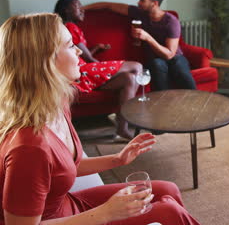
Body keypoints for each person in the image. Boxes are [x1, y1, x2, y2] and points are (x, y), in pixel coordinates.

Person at [0, 13, 200, 225]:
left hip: (67, 206)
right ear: (44, 61)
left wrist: (118, 159)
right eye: (69, 45)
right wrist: (107, 213)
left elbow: (62, 168)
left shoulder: (56, 105)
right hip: (59, 220)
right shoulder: (30, 147)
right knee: (168, 212)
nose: (78, 50)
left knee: (168, 189)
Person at [54, 0, 143, 142]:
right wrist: (103, 68)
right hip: (81, 71)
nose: (82, 9)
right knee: (137, 66)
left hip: (82, 71)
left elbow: (79, 54)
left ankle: (122, 127)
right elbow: (88, 59)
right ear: (67, 10)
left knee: (129, 78)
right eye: (77, 6)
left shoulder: (70, 28)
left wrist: (96, 49)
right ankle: (125, 117)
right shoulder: (70, 27)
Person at [83, 0, 196, 91]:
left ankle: (196, 104)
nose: (138, 2)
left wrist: (148, 38)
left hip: (174, 57)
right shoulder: (139, 13)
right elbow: (108, 5)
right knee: (157, 64)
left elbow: (169, 55)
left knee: (182, 73)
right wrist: (83, 8)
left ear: (154, 3)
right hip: (154, 60)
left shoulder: (171, 21)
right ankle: (161, 104)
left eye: (142, 0)